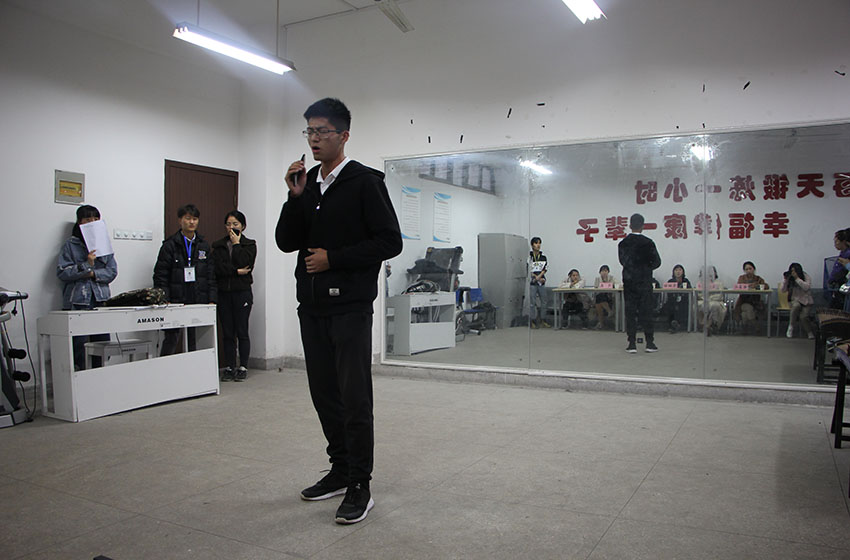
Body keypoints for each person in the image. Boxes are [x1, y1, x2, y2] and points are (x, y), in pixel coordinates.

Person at [275, 98, 402, 525]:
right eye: (309, 131)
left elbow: (390, 242)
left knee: (354, 396)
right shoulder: (306, 183)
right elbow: (285, 242)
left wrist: (335, 259)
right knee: (324, 393)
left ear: (343, 135)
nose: (314, 139)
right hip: (311, 306)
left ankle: (360, 484)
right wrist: (294, 198)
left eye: (322, 131)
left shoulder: (365, 182)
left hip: (349, 307)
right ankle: (340, 468)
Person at [56, 205, 118, 370]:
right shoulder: (71, 244)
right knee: (78, 346)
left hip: (101, 299)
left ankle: (99, 376)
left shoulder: (104, 244)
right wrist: (86, 264)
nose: (92, 222)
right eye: (88, 219)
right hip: (78, 300)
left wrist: (91, 273)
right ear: (80, 222)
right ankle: (80, 376)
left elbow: (112, 272)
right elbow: (62, 272)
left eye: (96, 219)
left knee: (102, 344)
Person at [153, 204, 217, 356]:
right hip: (175, 298)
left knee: (193, 337)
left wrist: (212, 299)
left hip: (197, 297)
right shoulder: (170, 245)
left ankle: (192, 368)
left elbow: (210, 274)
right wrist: (165, 298)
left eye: (195, 219)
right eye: (188, 218)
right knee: (171, 337)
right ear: (180, 220)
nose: (192, 222)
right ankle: (165, 366)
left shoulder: (203, 245)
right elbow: (161, 275)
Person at [211, 210, 256, 382]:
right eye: (228, 224)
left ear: (243, 226)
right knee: (228, 332)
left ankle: (243, 366)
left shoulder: (249, 245)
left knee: (242, 330)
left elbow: (246, 264)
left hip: (242, 293)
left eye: (235, 224)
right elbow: (217, 268)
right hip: (224, 293)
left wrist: (237, 245)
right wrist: (236, 271)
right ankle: (229, 366)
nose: (231, 227)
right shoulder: (218, 245)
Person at [618, 213, 661, 353]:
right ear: (643, 226)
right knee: (647, 311)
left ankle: (632, 344)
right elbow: (657, 262)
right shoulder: (648, 243)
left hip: (630, 282)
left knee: (630, 312)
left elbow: (623, 262)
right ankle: (650, 343)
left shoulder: (623, 244)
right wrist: (646, 268)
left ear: (630, 225)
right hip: (644, 281)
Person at [781, 262, 814, 339]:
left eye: (794, 271)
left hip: (806, 301)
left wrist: (797, 279)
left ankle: (809, 332)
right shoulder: (790, 278)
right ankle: (791, 326)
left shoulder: (806, 276)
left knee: (803, 317)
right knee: (796, 306)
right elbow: (783, 290)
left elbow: (806, 287)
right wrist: (785, 280)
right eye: (791, 271)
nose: (793, 273)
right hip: (795, 299)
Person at [733, 261, 767, 334]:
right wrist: (749, 285)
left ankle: (744, 329)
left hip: (756, 302)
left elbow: (766, 286)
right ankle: (756, 326)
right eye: (746, 269)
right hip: (743, 302)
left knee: (744, 315)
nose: (748, 271)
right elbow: (739, 286)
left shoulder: (758, 279)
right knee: (748, 308)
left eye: (750, 268)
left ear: (754, 269)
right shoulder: (742, 278)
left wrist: (757, 286)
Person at [697, 266, 726, 335]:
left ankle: (711, 325)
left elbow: (719, 295)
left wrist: (709, 298)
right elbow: (699, 295)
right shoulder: (700, 283)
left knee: (714, 306)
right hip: (703, 300)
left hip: (716, 301)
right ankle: (703, 325)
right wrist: (706, 299)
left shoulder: (719, 283)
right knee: (697, 305)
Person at [661, 264, 690, 333]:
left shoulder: (686, 281)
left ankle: (677, 325)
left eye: (680, 270)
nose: (678, 272)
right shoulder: (670, 281)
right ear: (673, 272)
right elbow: (668, 294)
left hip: (683, 302)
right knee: (669, 306)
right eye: (676, 270)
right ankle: (672, 325)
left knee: (682, 306)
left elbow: (689, 292)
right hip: (672, 301)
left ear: (683, 272)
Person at [528, 236, 549, 329]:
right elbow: (528, 269)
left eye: (539, 243)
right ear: (532, 245)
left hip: (541, 281)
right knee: (532, 303)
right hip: (532, 282)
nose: (538, 245)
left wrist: (539, 277)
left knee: (544, 301)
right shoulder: (529, 257)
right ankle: (532, 321)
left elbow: (545, 269)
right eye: (536, 243)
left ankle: (543, 320)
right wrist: (535, 277)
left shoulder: (543, 257)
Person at [829, 228, 850, 309]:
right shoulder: (843, 253)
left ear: (844, 241)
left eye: (837, 241)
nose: (835, 244)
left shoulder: (847, 254)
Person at [592, 264, 619, 330]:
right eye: (602, 271)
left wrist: (612, 285)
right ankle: (609, 311)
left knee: (599, 301)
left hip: (609, 297)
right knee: (599, 299)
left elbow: (618, 285)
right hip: (600, 296)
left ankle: (601, 323)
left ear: (608, 272)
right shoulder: (597, 279)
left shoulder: (612, 278)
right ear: (600, 272)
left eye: (606, 271)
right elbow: (595, 288)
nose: (604, 272)